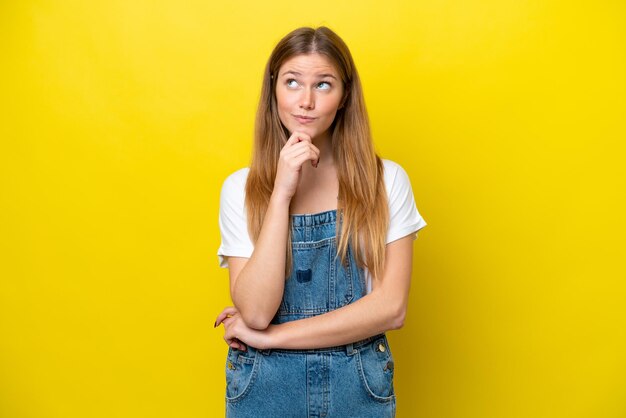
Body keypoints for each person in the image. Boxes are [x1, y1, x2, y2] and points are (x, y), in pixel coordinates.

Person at [213, 26, 427, 418]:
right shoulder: (239, 189)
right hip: (265, 387)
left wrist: (270, 338)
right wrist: (280, 194)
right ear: (274, 90)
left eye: (323, 85)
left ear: (344, 96)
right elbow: (257, 311)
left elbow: (391, 308)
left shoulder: (385, 181)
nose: (306, 101)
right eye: (292, 82)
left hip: (357, 387)